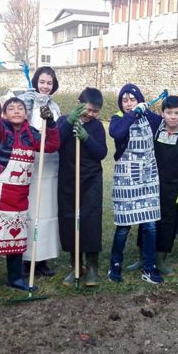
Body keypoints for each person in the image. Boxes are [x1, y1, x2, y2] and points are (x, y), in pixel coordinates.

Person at [0, 93, 59, 302]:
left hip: (19, 194)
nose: (17, 111)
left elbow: (52, 146)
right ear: (4, 114)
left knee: (16, 238)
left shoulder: (32, 134)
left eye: (20, 108)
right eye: (11, 108)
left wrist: (51, 124)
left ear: (26, 112)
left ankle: (15, 278)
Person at [125, 96, 178, 276]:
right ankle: (142, 257)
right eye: (169, 112)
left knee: (167, 222)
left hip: (173, 189)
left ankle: (160, 259)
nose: (173, 117)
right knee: (146, 220)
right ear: (162, 114)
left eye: (177, 113)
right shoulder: (155, 131)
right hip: (151, 184)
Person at [107, 83, 165, 285]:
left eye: (133, 99)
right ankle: (115, 264)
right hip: (126, 180)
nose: (129, 103)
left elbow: (163, 121)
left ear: (139, 99)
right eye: (125, 100)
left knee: (150, 225)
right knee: (124, 226)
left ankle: (149, 267)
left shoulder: (149, 118)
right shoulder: (117, 119)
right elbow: (117, 133)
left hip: (148, 177)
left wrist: (146, 111)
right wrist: (133, 113)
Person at [56, 88, 107, 286]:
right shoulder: (63, 121)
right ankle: (76, 265)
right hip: (68, 179)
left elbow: (101, 152)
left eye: (95, 111)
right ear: (78, 102)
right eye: (88, 109)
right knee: (69, 221)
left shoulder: (96, 127)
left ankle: (92, 266)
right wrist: (69, 124)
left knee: (91, 221)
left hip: (91, 179)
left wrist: (86, 137)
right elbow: (57, 142)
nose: (90, 114)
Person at [18, 66, 62, 277]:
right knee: (31, 211)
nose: (45, 86)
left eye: (49, 83)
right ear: (36, 82)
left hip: (51, 165)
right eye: (42, 82)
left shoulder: (55, 106)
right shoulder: (27, 102)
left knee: (47, 212)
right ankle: (27, 258)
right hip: (32, 164)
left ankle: (43, 257)